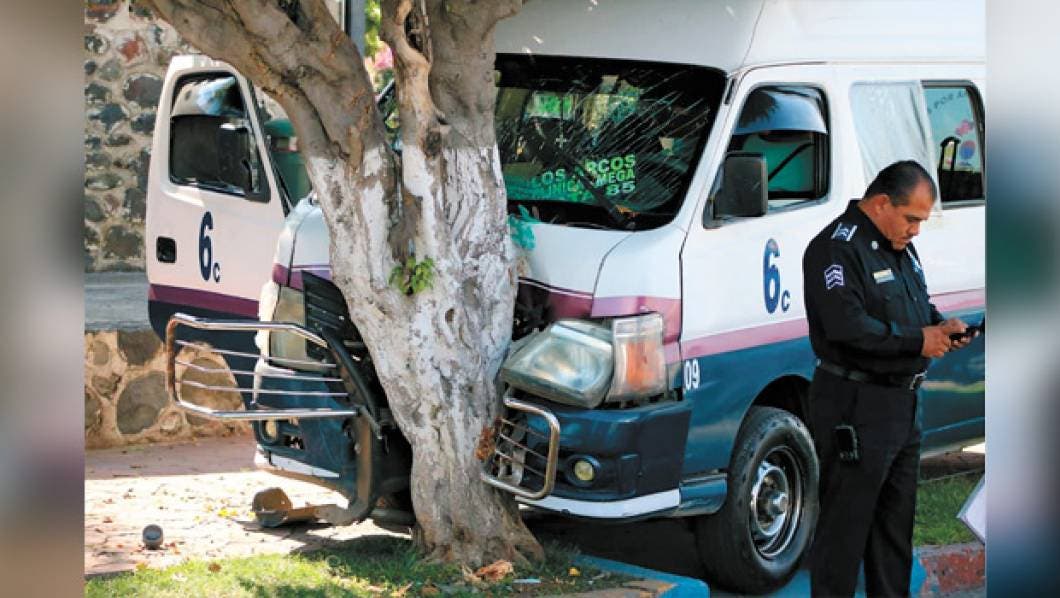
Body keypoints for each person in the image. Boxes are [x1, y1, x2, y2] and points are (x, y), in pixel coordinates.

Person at [801, 160, 977, 597]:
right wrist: (918, 340)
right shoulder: (836, 249)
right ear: (881, 203)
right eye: (911, 218)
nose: (916, 230)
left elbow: (914, 306)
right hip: (855, 405)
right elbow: (847, 326)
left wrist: (940, 326)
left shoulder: (899, 246)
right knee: (845, 532)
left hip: (903, 405)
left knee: (893, 533)